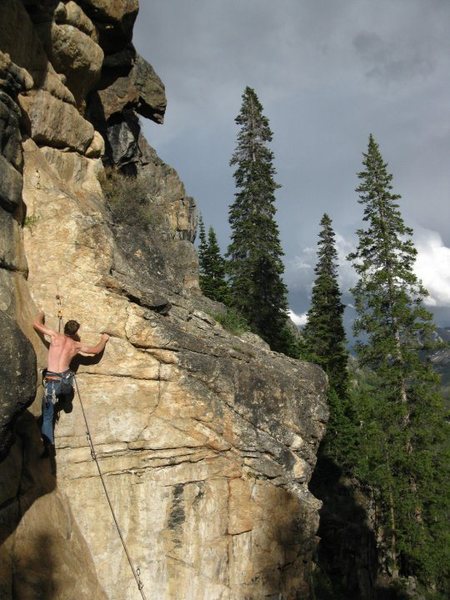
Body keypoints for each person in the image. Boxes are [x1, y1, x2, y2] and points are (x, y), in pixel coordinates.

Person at [33, 311, 109, 452]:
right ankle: (67, 402)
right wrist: (103, 339)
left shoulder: (55, 336)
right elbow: (95, 351)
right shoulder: (76, 345)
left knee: (48, 417)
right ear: (75, 332)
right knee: (68, 391)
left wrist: (41, 314)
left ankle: (48, 445)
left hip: (52, 380)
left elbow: (36, 324)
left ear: (65, 328)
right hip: (66, 378)